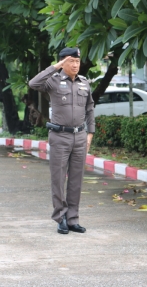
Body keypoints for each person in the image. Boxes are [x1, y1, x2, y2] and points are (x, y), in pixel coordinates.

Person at [29, 47, 95, 234]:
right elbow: (34, 83)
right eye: (71, 61)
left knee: (76, 180)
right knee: (58, 178)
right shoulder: (53, 82)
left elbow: (90, 109)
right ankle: (60, 217)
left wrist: (90, 133)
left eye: (77, 61)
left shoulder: (84, 83)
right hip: (59, 136)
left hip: (80, 136)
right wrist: (56, 66)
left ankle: (73, 218)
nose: (75, 65)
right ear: (63, 62)